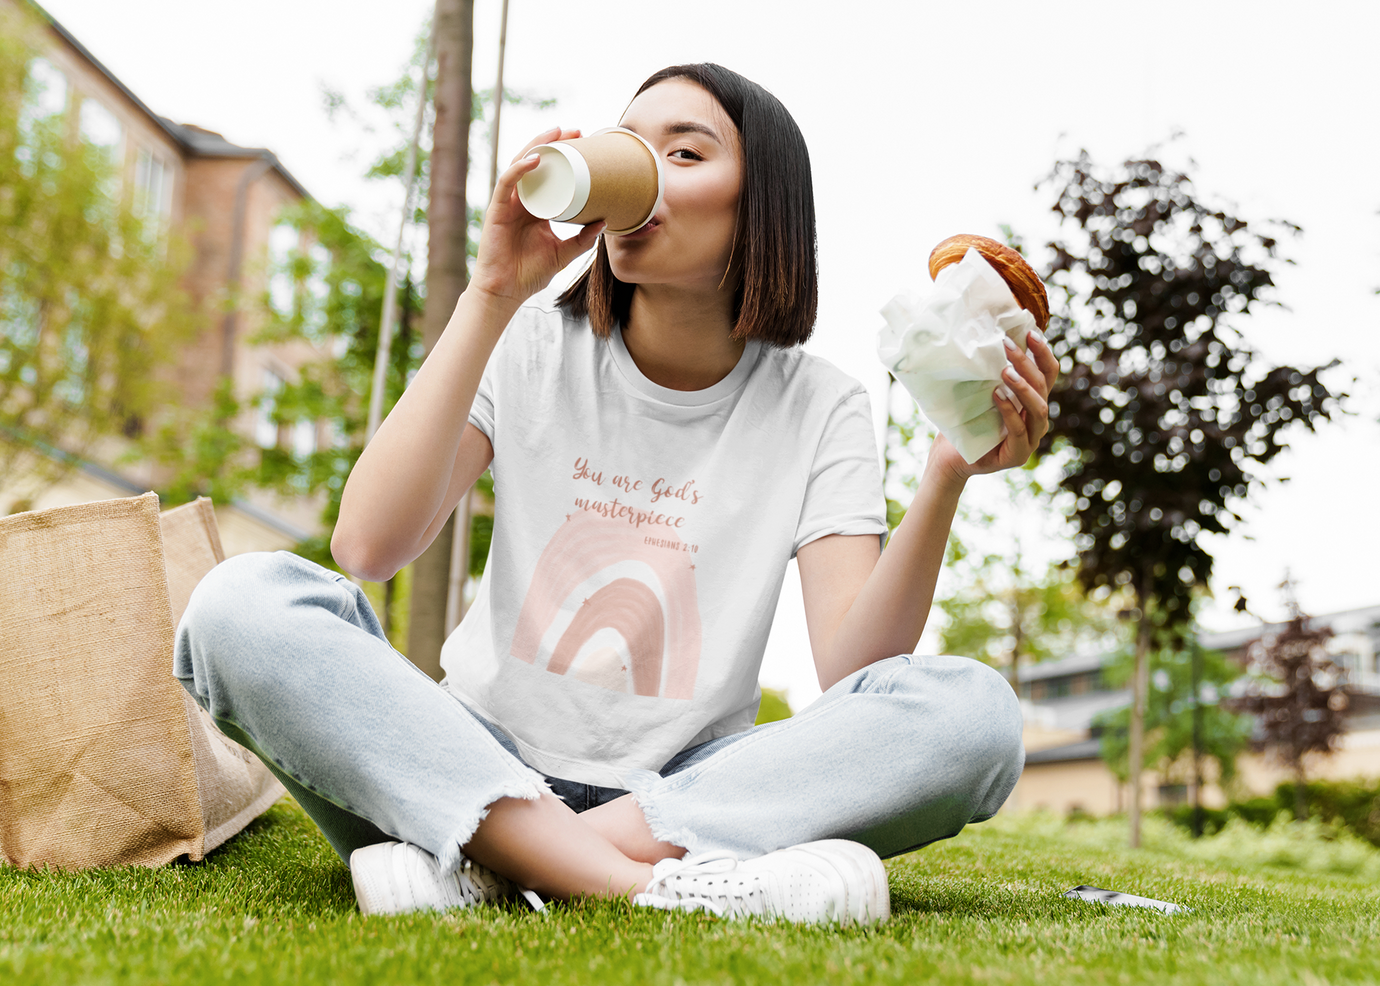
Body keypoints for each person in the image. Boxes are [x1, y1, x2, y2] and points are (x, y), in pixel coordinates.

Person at [175, 63, 1057, 925]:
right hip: (467, 753)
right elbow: (367, 547)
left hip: (686, 795)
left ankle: (489, 863)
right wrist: (490, 292)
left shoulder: (819, 403)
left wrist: (945, 473)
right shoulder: (525, 342)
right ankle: (636, 886)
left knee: (972, 714)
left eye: (685, 153)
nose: (640, 169)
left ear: (763, 205)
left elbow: (858, 674)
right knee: (241, 605)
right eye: (629, 145)